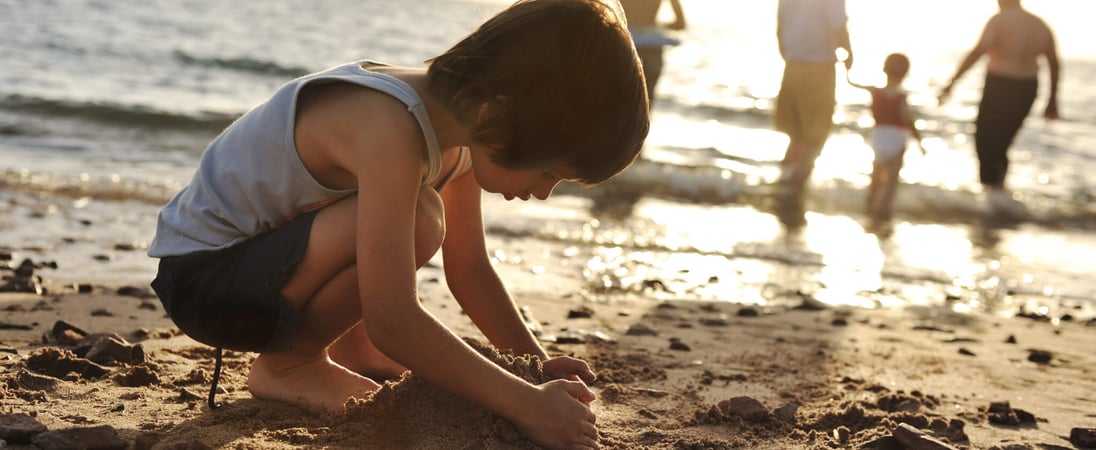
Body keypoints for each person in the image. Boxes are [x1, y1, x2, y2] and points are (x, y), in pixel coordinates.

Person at [147, 0, 649, 448]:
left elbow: (471, 271)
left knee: (415, 217)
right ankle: (291, 362)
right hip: (206, 280)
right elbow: (395, 320)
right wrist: (526, 405)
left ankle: (347, 347)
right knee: (421, 219)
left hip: (261, 271)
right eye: (550, 172)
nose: (542, 192)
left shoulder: (459, 131)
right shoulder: (389, 125)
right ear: (501, 116)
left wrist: (534, 368)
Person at [938, 0, 1060, 198]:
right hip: (1028, 88)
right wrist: (1052, 99)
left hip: (999, 85)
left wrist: (952, 82)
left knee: (985, 141)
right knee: (1003, 142)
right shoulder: (1040, 24)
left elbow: (978, 52)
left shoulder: (999, 20)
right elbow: (1054, 64)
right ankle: (998, 193)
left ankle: (991, 194)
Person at [773, 0, 853, 195]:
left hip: (793, 64)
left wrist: (789, 55)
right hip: (819, 66)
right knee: (816, 135)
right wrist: (849, 53)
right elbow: (838, 26)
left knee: (796, 133)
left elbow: (780, 27)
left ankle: (782, 183)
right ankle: (796, 187)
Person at [847, 53, 926, 221]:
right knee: (890, 182)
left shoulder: (875, 91)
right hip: (896, 139)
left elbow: (852, 83)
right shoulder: (901, 96)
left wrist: (846, 69)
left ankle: (869, 207)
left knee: (876, 178)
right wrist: (920, 142)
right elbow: (908, 120)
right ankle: (883, 212)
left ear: (884, 69)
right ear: (905, 73)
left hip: (879, 137)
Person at [619, 0, 686, 105]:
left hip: (623, 44)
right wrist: (654, 27)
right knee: (645, 105)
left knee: (616, 102)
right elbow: (680, 23)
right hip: (652, 49)